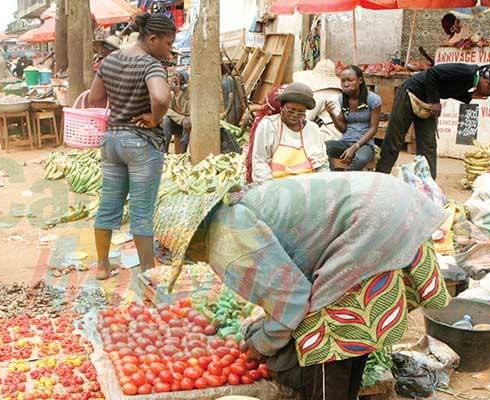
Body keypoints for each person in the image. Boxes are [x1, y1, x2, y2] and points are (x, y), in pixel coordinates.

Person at [160, 172, 451, 400]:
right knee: (353, 326)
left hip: (371, 221)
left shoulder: (228, 237)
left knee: (328, 330)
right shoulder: (233, 212)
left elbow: (292, 299)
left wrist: (260, 344)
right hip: (388, 200)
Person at [86, 13, 176, 280]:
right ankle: (148, 271)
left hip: (112, 141)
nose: (169, 49)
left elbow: (94, 98)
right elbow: (160, 96)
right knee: (142, 211)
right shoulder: (151, 65)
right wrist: (155, 117)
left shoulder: (110, 60)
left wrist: (121, 107)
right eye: (169, 43)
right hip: (141, 144)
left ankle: (102, 265)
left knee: (109, 204)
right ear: (152, 38)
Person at [376, 63, 490, 178]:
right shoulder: (466, 72)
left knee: (428, 144)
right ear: (484, 78)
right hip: (411, 92)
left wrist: (470, 96)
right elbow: (432, 73)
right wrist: (435, 102)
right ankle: (381, 177)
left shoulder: (472, 82)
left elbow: (450, 88)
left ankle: (428, 182)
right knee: (395, 138)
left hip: (427, 101)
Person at [250, 83, 329, 184]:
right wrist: (270, 188)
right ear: (282, 107)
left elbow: (321, 164)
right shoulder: (269, 126)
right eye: (291, 110)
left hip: (307, 185)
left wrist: (322, 184)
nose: (295, 115)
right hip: (275, 184)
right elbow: (259, 161)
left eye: (301, 112)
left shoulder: (312, 129)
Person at [325, 65, 380, 171]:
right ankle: (331, 177)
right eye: (343, 81)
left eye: (350, 80)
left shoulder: (373, 99)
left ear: (360, 80)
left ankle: (345, 180)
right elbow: (343, 129)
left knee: (361, 159)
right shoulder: (342, 99)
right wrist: (332, 115)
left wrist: (355, 147)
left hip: (365, 145)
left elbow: (373, 129)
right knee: (322, 148)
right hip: (345, 142)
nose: (346, 84)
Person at [162, 69, 190, 153]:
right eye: (173, 75)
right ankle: (164, 152)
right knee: (165, 119)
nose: (174, 78)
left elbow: (187, 111)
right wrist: (181, 119)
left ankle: (182, 154)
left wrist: (178, 92)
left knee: (188, 122)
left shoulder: (188, 92)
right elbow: (167, 109)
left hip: (187, 123)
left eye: (177, 76)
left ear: (183, 80)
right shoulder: (170, 93)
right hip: (177, 121)